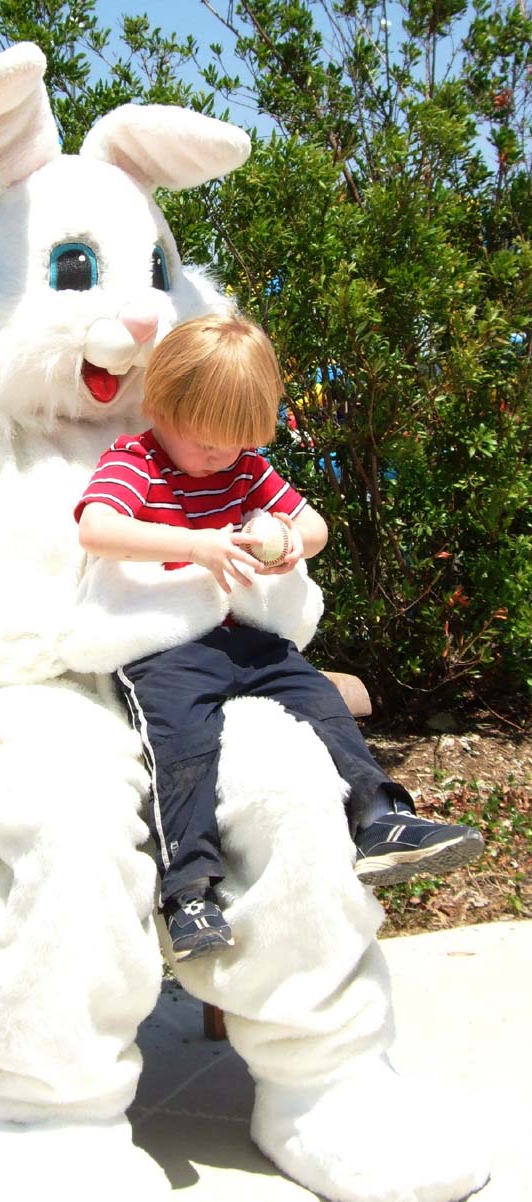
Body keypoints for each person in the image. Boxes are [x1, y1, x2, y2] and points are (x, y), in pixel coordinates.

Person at [76, 312, 483, 963]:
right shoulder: (138, 460)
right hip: (164, 647)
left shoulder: (244, 468)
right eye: (203, 438)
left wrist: (291, 541)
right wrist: (192, 545)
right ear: (162, 405)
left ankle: (378, 816)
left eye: (233, 440)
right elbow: (97, 529)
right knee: (184, 744)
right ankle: (189, 891)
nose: (216, 455)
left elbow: (313, 526)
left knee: (318, 697)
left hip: (246, 640)